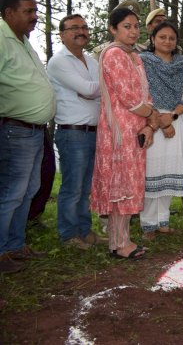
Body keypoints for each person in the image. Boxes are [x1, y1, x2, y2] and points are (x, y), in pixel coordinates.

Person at [91, 7, 160, 260]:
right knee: (120, 186)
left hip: (136, 127)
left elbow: (145, 93)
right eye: (126, 26)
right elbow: (129, 98)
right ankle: (119, 244)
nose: (133, 31)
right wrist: (151, 115)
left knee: (128, 185)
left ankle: (122, 240)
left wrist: (149, 124)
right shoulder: (114, 55)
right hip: (118, 130)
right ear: (113, 29)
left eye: (135, 26)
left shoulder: (135, 56)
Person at [0, 0, 55, 273]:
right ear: (9, 13)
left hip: (34, 130)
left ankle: (15, 245)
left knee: (29, 189)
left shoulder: (23, 41)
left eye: (35, 11)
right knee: (12, 191)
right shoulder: (1, 37)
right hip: (14, 129)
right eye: (28, 11)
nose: (34, 17)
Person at [47, 14, 106, 250]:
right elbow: (90, 90)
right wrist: (96, 89)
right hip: (72, 133)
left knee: (86, 187)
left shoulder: (92, 61)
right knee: (72, 187)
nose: (81, 31)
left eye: (84, 27)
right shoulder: (58, 61)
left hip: (94, 131)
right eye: (74, 28)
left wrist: (93, 90)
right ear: (62, 34)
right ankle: (69, 235)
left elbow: (92, 91)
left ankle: (84, 231)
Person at [140, 21, 183, 240]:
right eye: (162, 37)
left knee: (168, 170)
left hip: (175, 120)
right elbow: (141, 91)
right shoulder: (143, 62)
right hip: (150, 120)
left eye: (172, 38)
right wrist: (158, 119)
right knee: (152, 170)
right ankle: (147, 224)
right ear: (153, 39)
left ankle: (163, 221)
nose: (167, 41)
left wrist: (171, 117)